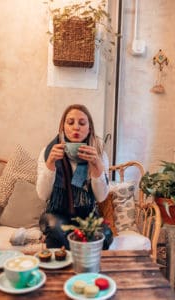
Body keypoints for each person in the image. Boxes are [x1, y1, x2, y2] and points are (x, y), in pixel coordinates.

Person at [36, 104, 112, 249]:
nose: (76, 127)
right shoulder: (48, 152)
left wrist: (97, 165)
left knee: (105, 234)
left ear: (89, 129)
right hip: (57, 214)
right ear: (63, 127)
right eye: (70, 122)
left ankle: (77, 257)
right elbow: (43, 195)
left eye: (82, 123)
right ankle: (80, 254)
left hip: (87, 217)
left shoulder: (98, 154)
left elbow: (101, 197)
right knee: (57, 229)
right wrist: (50, 163)